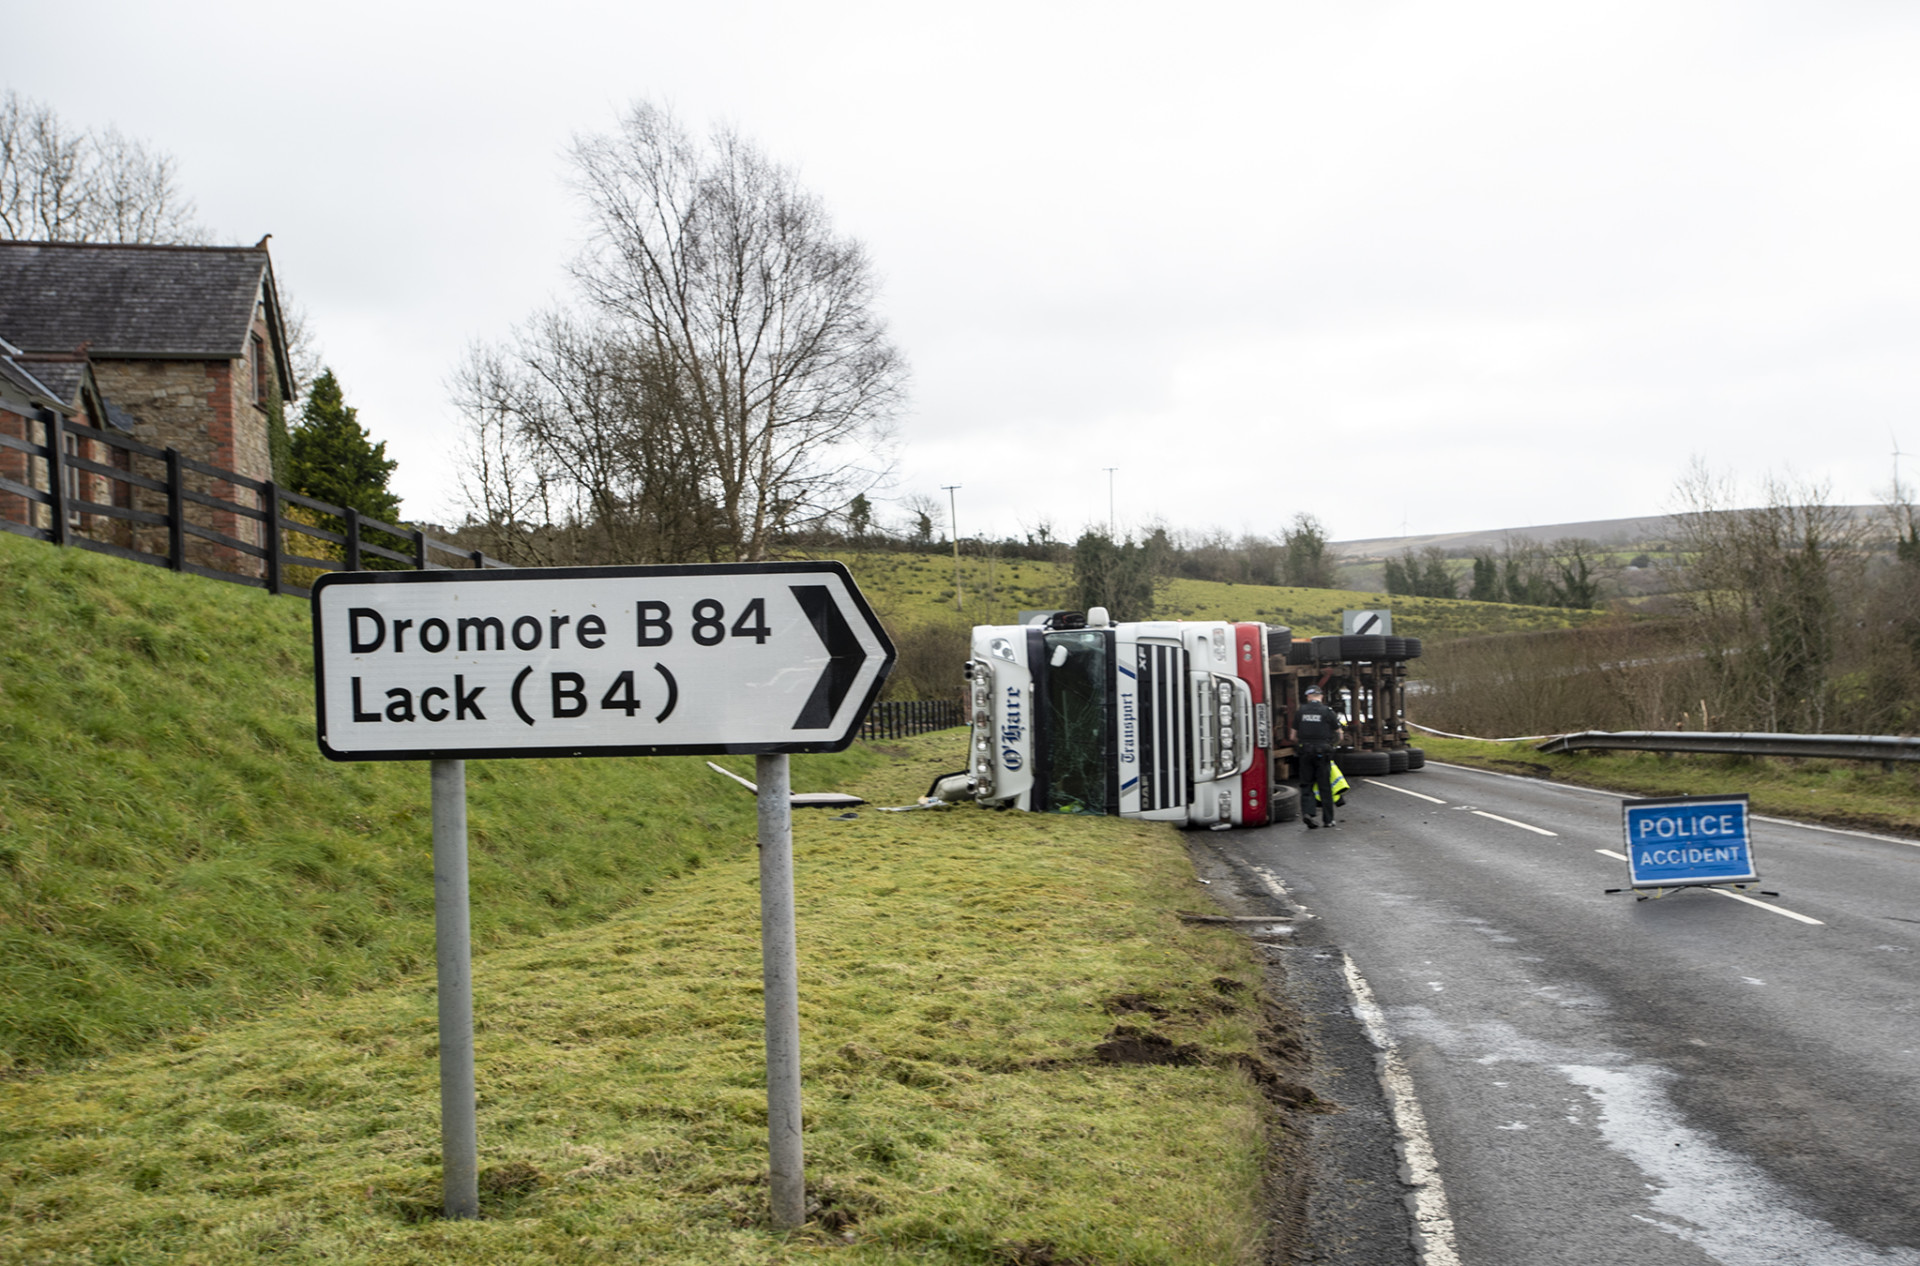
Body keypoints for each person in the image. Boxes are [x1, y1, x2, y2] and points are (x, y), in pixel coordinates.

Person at [1291, 684, 1344, 829]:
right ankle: (1328, 820)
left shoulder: (1300, 711)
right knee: (1324, 786)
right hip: (1323, 752)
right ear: (1321, 697)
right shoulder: (1327, 712)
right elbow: (1339, 733)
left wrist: (1303, 743)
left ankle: (1308, 813)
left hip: (1306, 752)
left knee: (1306, 784)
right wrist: (1333, 745)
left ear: (1308, 697)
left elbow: (1292, 736)